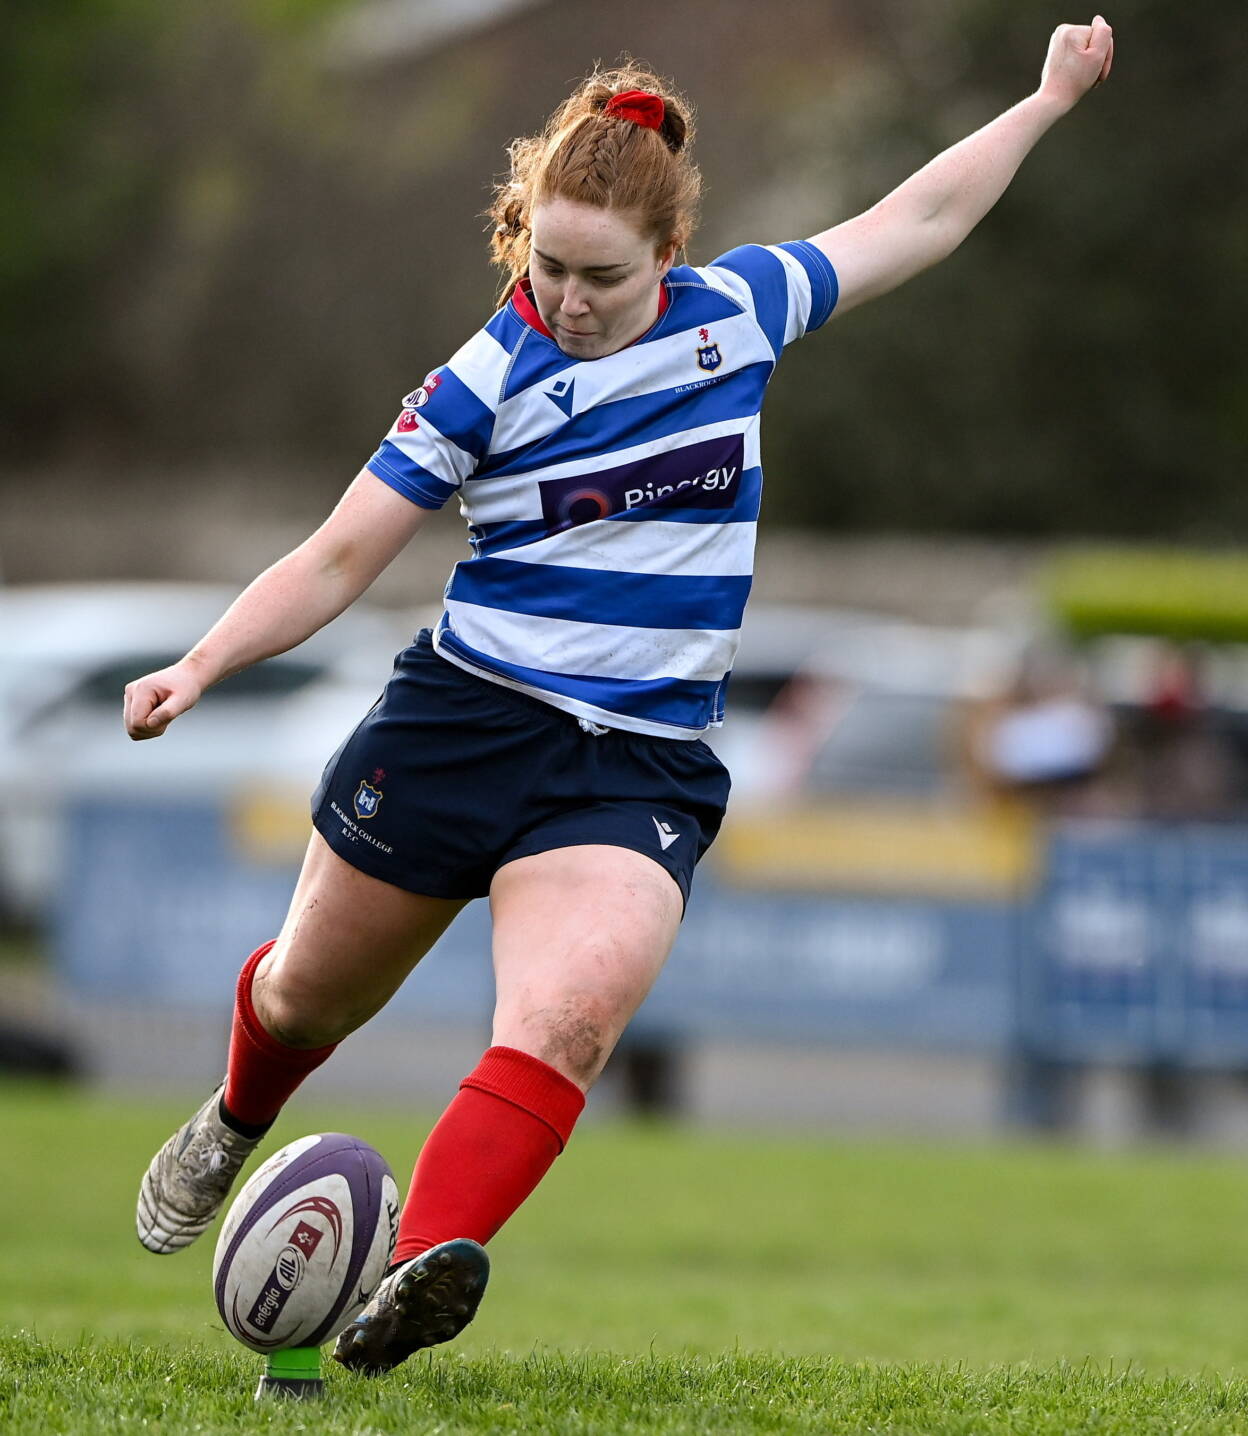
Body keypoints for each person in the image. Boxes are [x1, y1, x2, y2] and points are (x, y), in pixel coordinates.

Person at [127, 20, 1114, 1374]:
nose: (568, 300)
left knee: (569, 1021)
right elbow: (341, 551)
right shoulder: (484, 378)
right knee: (305, 1001)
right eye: (546, 265)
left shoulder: (745, 311)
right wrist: (201, 663)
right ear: (520, 235)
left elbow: (921, 213)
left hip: (634, 765)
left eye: (602, 276)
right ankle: (235, 1119)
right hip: (463, 724)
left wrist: (1047, 100)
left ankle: (418, 1272)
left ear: (670, 259)